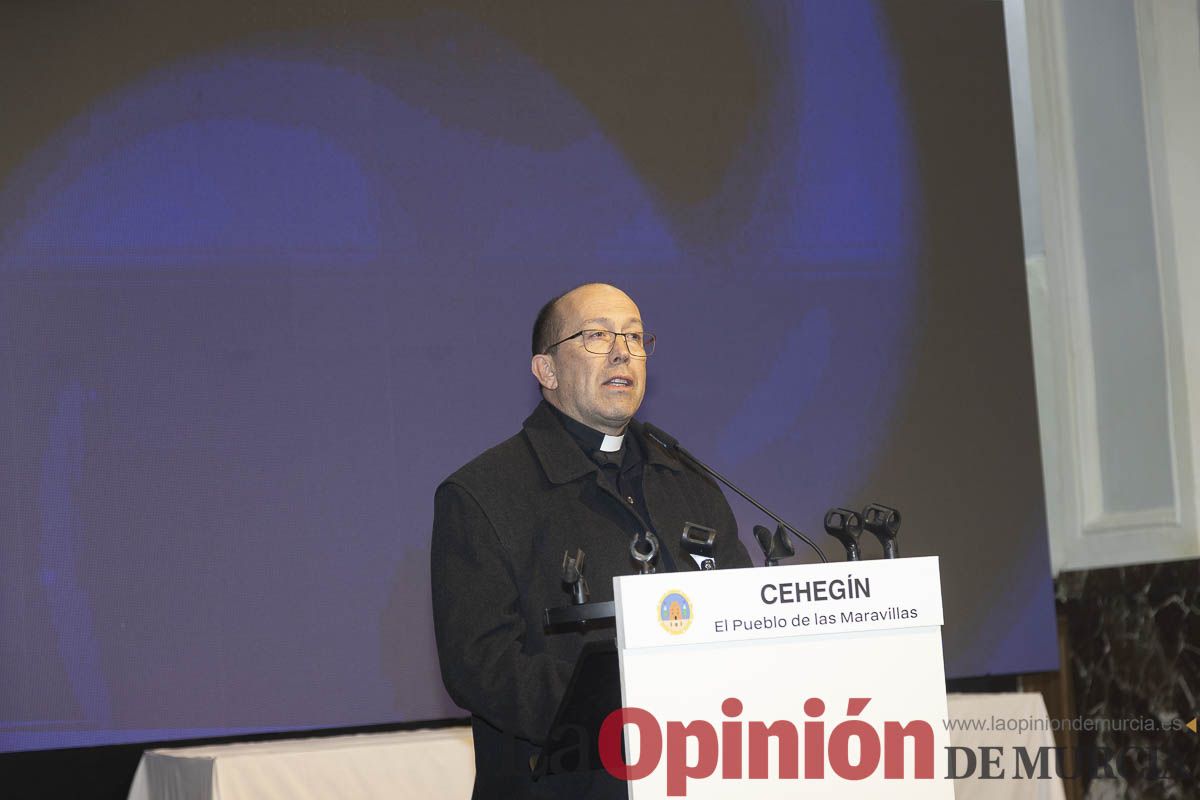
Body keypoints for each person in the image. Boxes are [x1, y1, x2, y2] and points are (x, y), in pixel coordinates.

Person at [430, 283, 752, 799]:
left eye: (634, 336)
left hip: (703, 773)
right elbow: (480, 665)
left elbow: (742, 616)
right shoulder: (482, 493)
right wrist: (625, 712)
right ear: (547, 371)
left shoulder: (687, 480)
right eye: (597, 336)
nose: (623, 351)